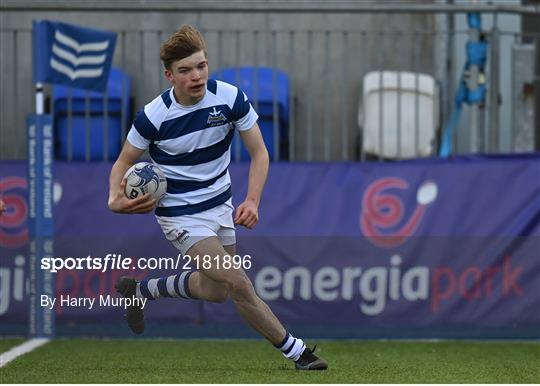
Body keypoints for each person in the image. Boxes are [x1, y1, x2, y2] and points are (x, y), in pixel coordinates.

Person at [107, 25, 327, 371]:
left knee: (216, 291)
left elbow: (260, 154)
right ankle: (298, 352)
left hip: (220, 205)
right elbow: (123, 162)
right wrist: (113, 199)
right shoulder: (153, 117)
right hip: (180, 214)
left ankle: (143, 291)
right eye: (185, 70)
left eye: (201, 66)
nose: (196, 76)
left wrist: (252, 200)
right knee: (238, 282)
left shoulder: (229, 98)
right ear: (170, 75)